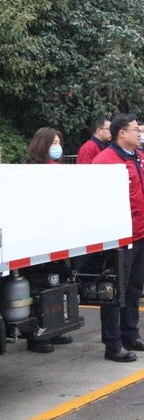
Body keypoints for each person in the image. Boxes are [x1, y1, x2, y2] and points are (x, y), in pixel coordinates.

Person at [92, 114, 144, 363]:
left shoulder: (139, 156)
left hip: (141, 231)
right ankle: (113, 343)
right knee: (115, 291)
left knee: (133, 288)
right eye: (135, 130)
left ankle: (131, 334)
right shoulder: (105, 161)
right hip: (120, 237)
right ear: (122, 133)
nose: (140, 134)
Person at [22, 127, 75, 353]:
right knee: (37, 285)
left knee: (56, 282)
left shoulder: (56, 168)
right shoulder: (32, 171)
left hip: (56, 236)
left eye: (58, 142)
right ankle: (36, 334)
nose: (57, 147)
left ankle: (53, 329)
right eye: (53, 143)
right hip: (37, 238)